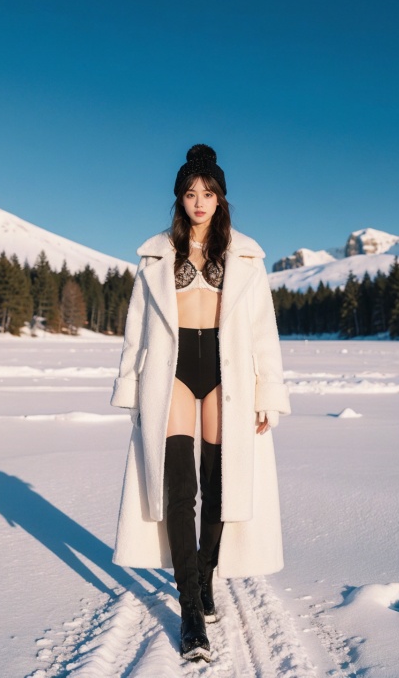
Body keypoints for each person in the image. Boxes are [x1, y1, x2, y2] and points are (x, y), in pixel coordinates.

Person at [110, 144, 291, 662]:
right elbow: (136, 329)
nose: (199, 201)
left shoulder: (245, 258)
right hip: (170, 371)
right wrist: (130, 385)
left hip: (224, 371)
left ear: (220, 198)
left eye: (207, 192)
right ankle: (191, 611)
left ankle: (206, 578)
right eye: (190, 193)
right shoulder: (157, 256)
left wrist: (267, 394)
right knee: (178, 490)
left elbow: (262, 333)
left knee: (219, 483)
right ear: (180, 198)